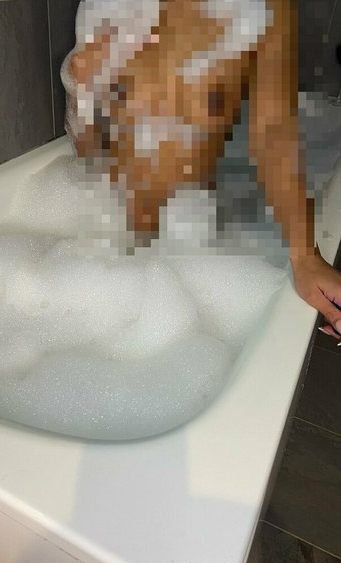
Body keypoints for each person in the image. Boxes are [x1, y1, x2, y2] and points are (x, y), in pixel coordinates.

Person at [61, 0, 341, 341]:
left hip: (190, 235)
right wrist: (85, 89)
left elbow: (272, 129)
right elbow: (89, 147)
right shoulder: (119, 11)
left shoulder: (257, 8)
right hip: (106, 235)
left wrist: (305, 256)